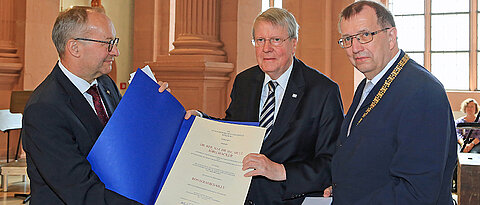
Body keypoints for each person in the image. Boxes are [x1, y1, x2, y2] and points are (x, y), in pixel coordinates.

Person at [185, 8, 344, 205]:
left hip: (287, 200)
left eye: (276, 40)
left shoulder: (322, 91)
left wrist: (280, 171)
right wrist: (201, 121)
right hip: (239, 198)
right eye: (260, 40)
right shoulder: (244, 81)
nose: (266, 48)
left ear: (293, 44)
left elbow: (332, 163)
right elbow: (233, 131)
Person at [21, 6, 168, 204]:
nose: (116, 51)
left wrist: (153, 108)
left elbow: (124, 144)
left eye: (114, 42)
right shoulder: (44, 109)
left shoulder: (105, 85)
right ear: (74, 48)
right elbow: (81, 192)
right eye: (108, 43)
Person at [327, 1, 457, 204]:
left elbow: (416, 192)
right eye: (347, 39)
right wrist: (343, 187)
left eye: (365, 35)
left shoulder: (421, 91)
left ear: (391, 37)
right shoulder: (368, 84)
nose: (355, 47)